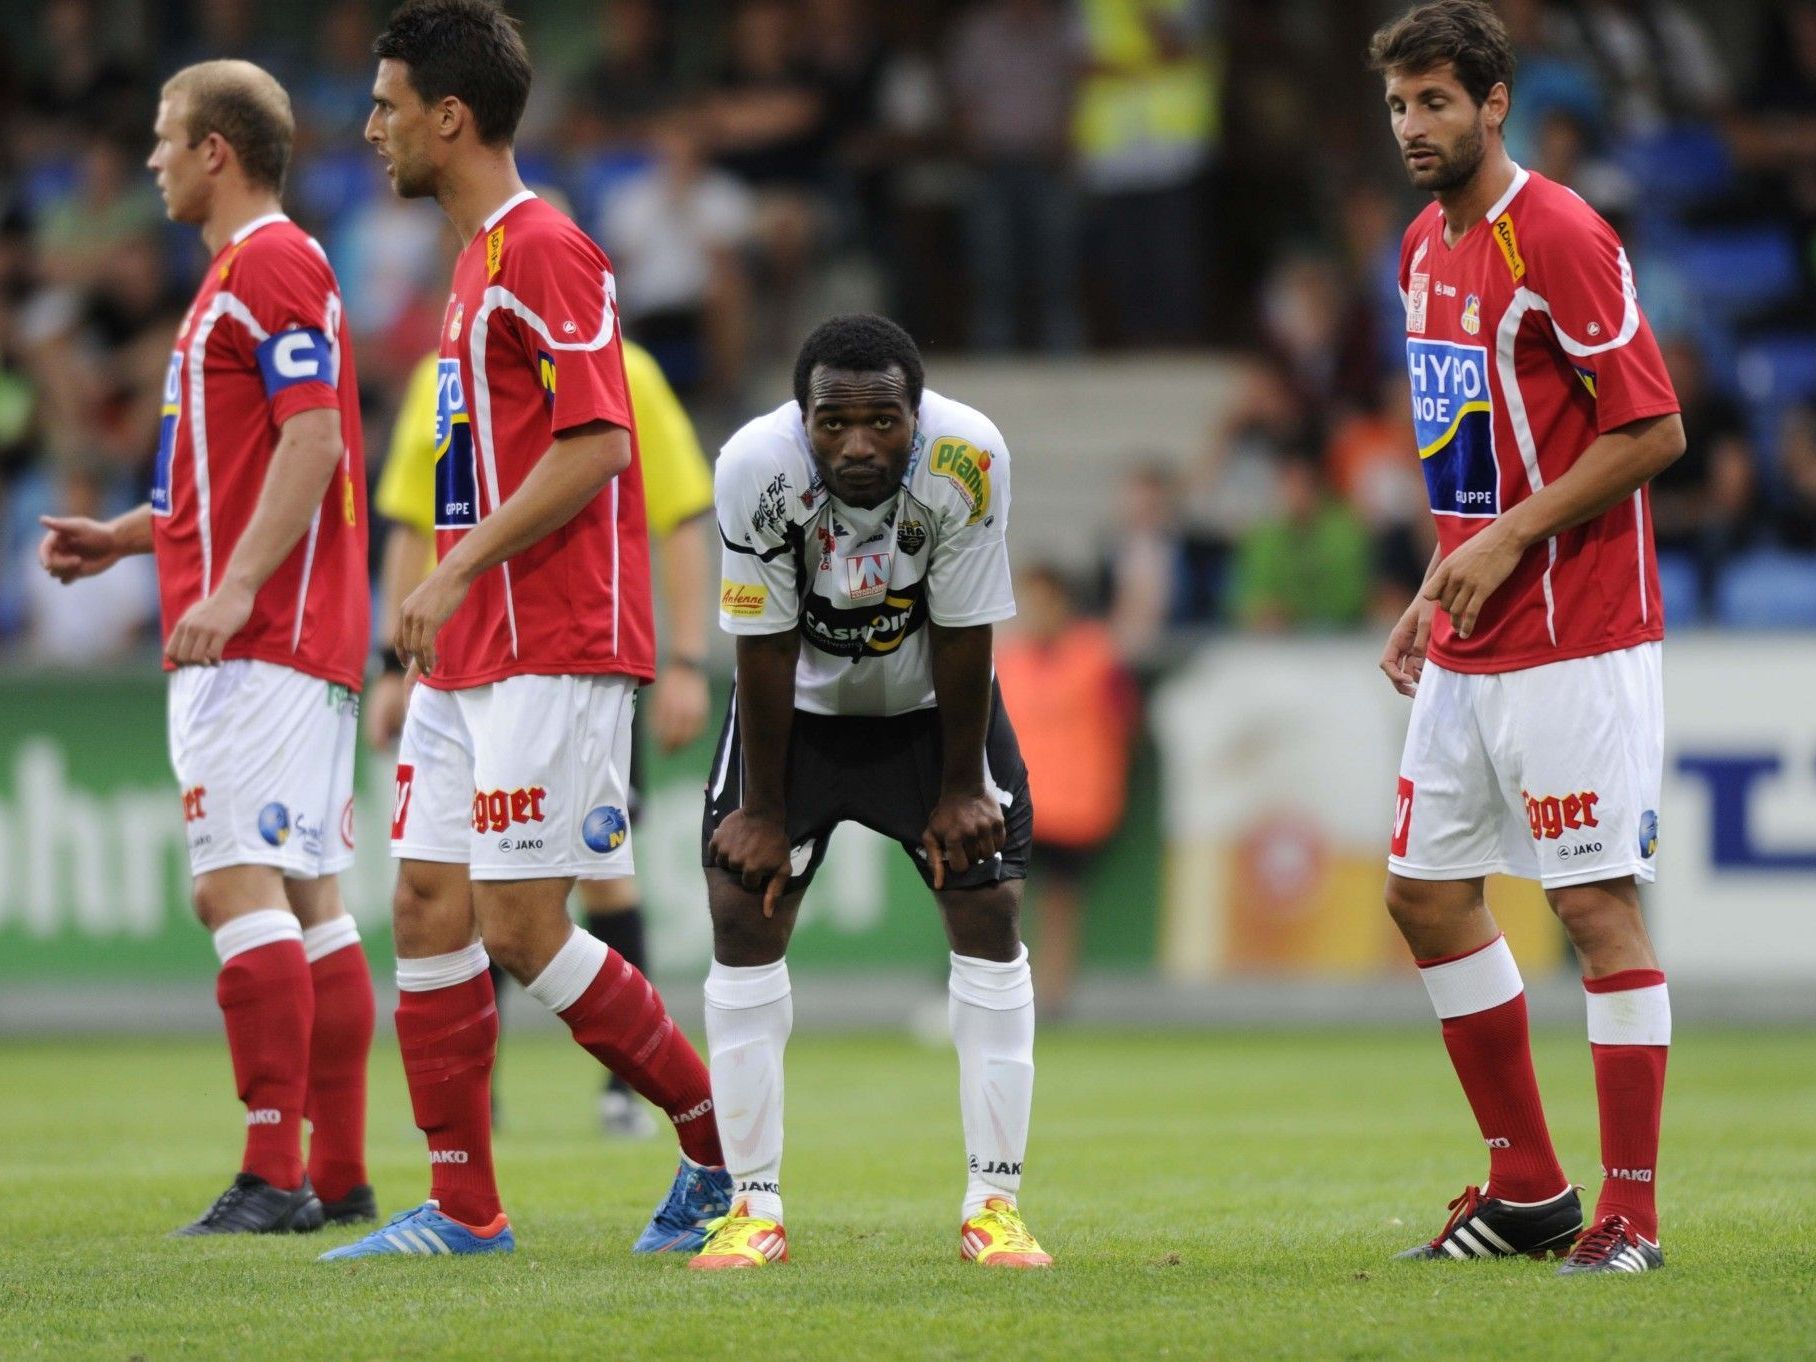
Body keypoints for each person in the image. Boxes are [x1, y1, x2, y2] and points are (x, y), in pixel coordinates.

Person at [324, 0, 728, 1262]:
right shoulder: (473, 267)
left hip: (552, 638)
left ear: (450, 117)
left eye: (387, 105)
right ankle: (463, 1208)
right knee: (430, 906)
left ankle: (720, 1151)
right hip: (472, 650)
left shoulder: (548, 248)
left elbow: (603, 443)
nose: (372, 126)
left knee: (522, 925)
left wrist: (455, 572)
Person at [1370, 1, 1685, 1275]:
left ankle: (1632, 1219)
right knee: (1425, 895)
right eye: (1398, 105)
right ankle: (1532, 1190)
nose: (1413, 127)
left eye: (1435, 102)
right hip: (1476, 623)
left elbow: (1652, 427)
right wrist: (1446, 568)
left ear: (1495, 102)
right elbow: (1478, 454)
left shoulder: (1554, 232)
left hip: (1576, 630)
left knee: (1592, 908)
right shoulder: (1416, 249)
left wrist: (1506, 543)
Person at [37, 61, 376, 1235]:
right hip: (295, 632)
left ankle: (272, 1172)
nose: (151, 160)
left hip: (264, 639)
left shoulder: (270, 263)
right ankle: (337, 1174)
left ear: (217, 151)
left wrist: (230, 592)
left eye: (164, 138)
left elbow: (315, 441)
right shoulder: (244, 277)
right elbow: (233, 473)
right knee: (308, 896)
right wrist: (131, 538)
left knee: (234, 882)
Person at [691, 313, 1051, 1271]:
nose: (858, 444)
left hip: (930, 707)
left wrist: (964, 782)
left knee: (990, 905)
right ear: (801, 418)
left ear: (917, 414)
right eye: (833, 423)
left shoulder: (969, 457)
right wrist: (762, 810)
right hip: (795, 714)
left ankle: (995, 1206)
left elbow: (969, 624)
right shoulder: (751, 465)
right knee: (740, 908)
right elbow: (759, 642)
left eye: (883, 422)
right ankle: (752, 1207)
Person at [366, 333, 717, 1140]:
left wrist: (689, 658)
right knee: (443, 892)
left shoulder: (622, 369)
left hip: (559, 655)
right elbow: (412, 523)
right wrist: (391, 662)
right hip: (456, 665)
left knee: (588, 884)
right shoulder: (440, 365)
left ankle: (635, 1095)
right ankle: (470, 1124)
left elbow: (682, 515)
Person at [991, 562, 1135, 1017]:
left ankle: (1051, 999)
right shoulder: (1010, 659)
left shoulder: (1096, 654)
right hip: (1017, 803)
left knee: (1059, 906)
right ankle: (1003, 991)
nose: (1036, 610)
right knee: (1001, 901)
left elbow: (1125, 718)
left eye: (1043, 599)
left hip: (1076, 804)